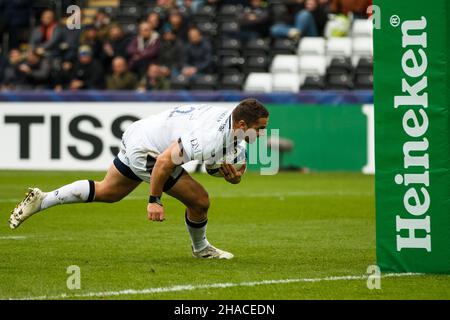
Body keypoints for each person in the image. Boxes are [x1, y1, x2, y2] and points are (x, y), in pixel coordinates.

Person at [8, 99, 269, 259]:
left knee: (108, 192)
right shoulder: (211, 136)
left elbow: (229, 171)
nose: (263, 133)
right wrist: (154, 200)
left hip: (141, 132)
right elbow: (167, 161)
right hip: (149, 149)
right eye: (260, 128)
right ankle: (201, 249)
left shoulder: (234, 129)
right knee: (200, 201)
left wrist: (233, 178)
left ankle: (42, 200)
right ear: (243, 123)